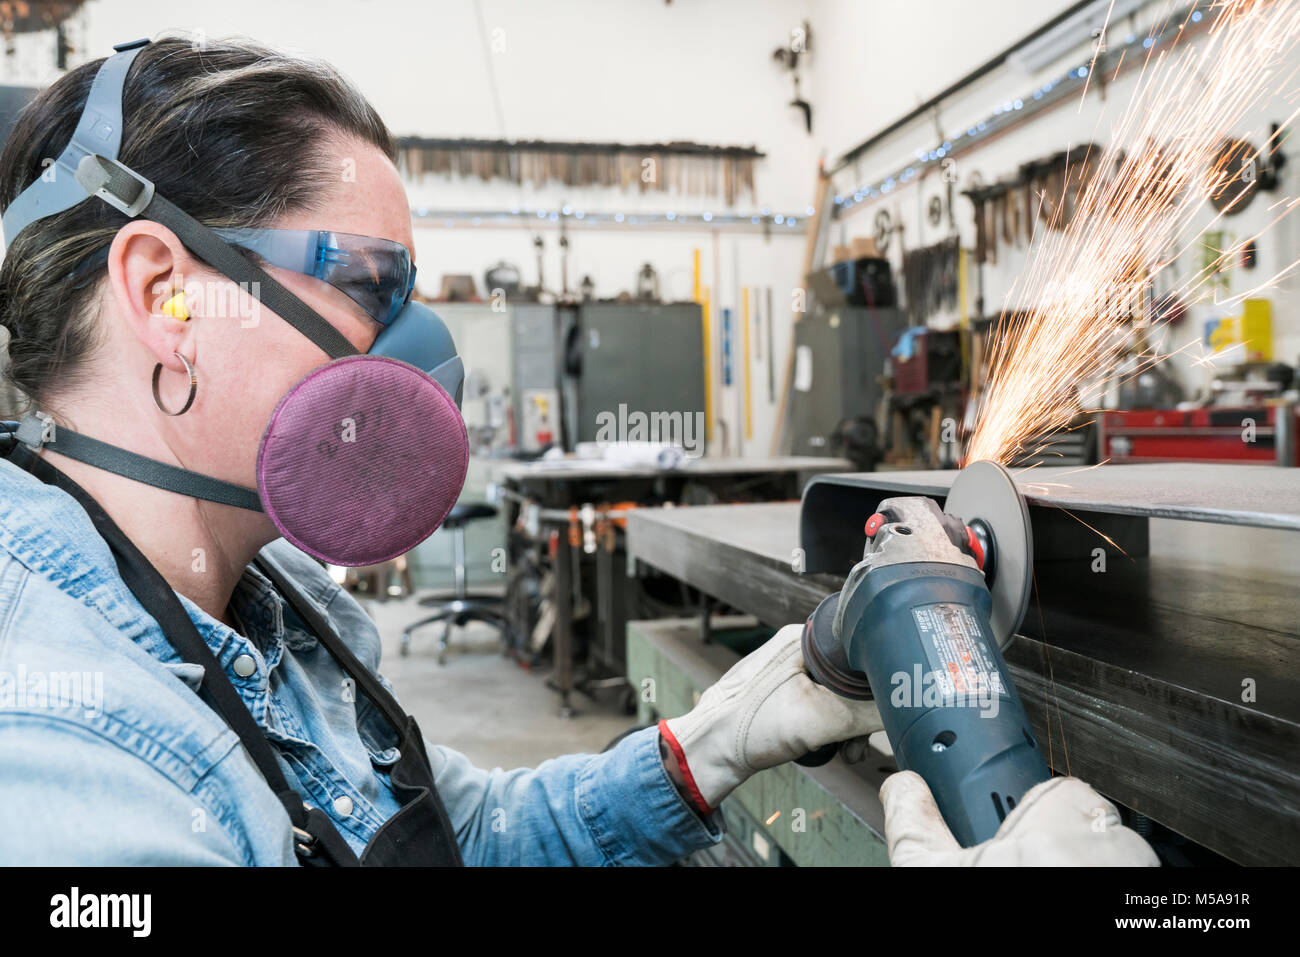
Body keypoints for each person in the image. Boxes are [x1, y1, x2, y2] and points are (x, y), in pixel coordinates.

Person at [0, 34, 1154, 867]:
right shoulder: (66, 755)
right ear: (167, 294)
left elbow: (473, 841)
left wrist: (708, 744)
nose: (418, 350)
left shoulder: (276, 608)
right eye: (369, 285)